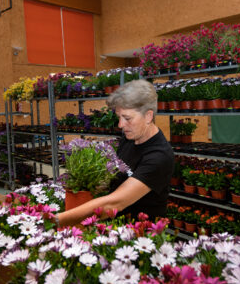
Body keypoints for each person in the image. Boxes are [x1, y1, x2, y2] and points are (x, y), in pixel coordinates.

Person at [56, 79, 174, 227]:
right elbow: (118, 177)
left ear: (148, 116)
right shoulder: (130, 138)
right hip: (117, 227)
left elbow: (114, 203)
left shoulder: (159, 156)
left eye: (127, 118)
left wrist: (56, 220)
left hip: (141, 236)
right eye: (119, 117)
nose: (120, 125)